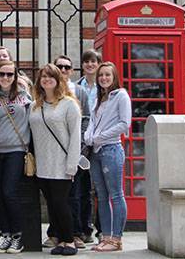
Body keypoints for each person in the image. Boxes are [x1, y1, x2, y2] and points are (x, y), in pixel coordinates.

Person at [29, 63, 81, 256]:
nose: (47, 79)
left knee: (61, 203)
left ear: (58, 80)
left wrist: (72, 165)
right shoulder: (35, 105)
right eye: (43, 76)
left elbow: (75, 136)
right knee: (51, 204)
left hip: (62, 163)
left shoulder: (69, 104)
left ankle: (70, 241)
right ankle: (58, 239)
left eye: (51, 76)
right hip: (42, 165)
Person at [0, 60, 32, 254]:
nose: (5, 78)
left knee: (9, 192)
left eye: (10, 74)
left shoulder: (23, 95)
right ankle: (5, 235)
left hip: (16, 150)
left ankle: (18, 235)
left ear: (15, 76)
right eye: (2, 74)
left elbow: (31, 120)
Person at [45, 55, 92, 249]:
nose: (63, 70)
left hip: (74, 152)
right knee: (53, 197)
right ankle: (55, 232)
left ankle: (75, 233)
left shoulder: (79, 92)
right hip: (52, 154)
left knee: (73, 195)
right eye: (59, 67)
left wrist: (79, 147)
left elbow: (86, 119)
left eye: (67, 67)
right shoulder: (47, 94)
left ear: (71, 71)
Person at [83, 62, 130, 252]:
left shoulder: (121, 96)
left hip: (111, 149)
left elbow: (124, 124)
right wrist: (88, 137)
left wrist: (98, 138)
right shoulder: (98, 99)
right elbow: (92, 123)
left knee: (116, 195)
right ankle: (106, 237)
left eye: (107, 75)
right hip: (95, 151)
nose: (103, 78)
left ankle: (116, 239)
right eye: (101, 75)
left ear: (114, 77)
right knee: (101, 197)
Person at [75, 49, 102, 240]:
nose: (90, 65)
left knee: (100, 188)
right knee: (83, 187)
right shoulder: (77, 87)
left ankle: (102, 229)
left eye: (93, 61)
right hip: (82, 141)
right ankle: (85, 228)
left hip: (100, 140)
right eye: (86, 62)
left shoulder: (105, 87)